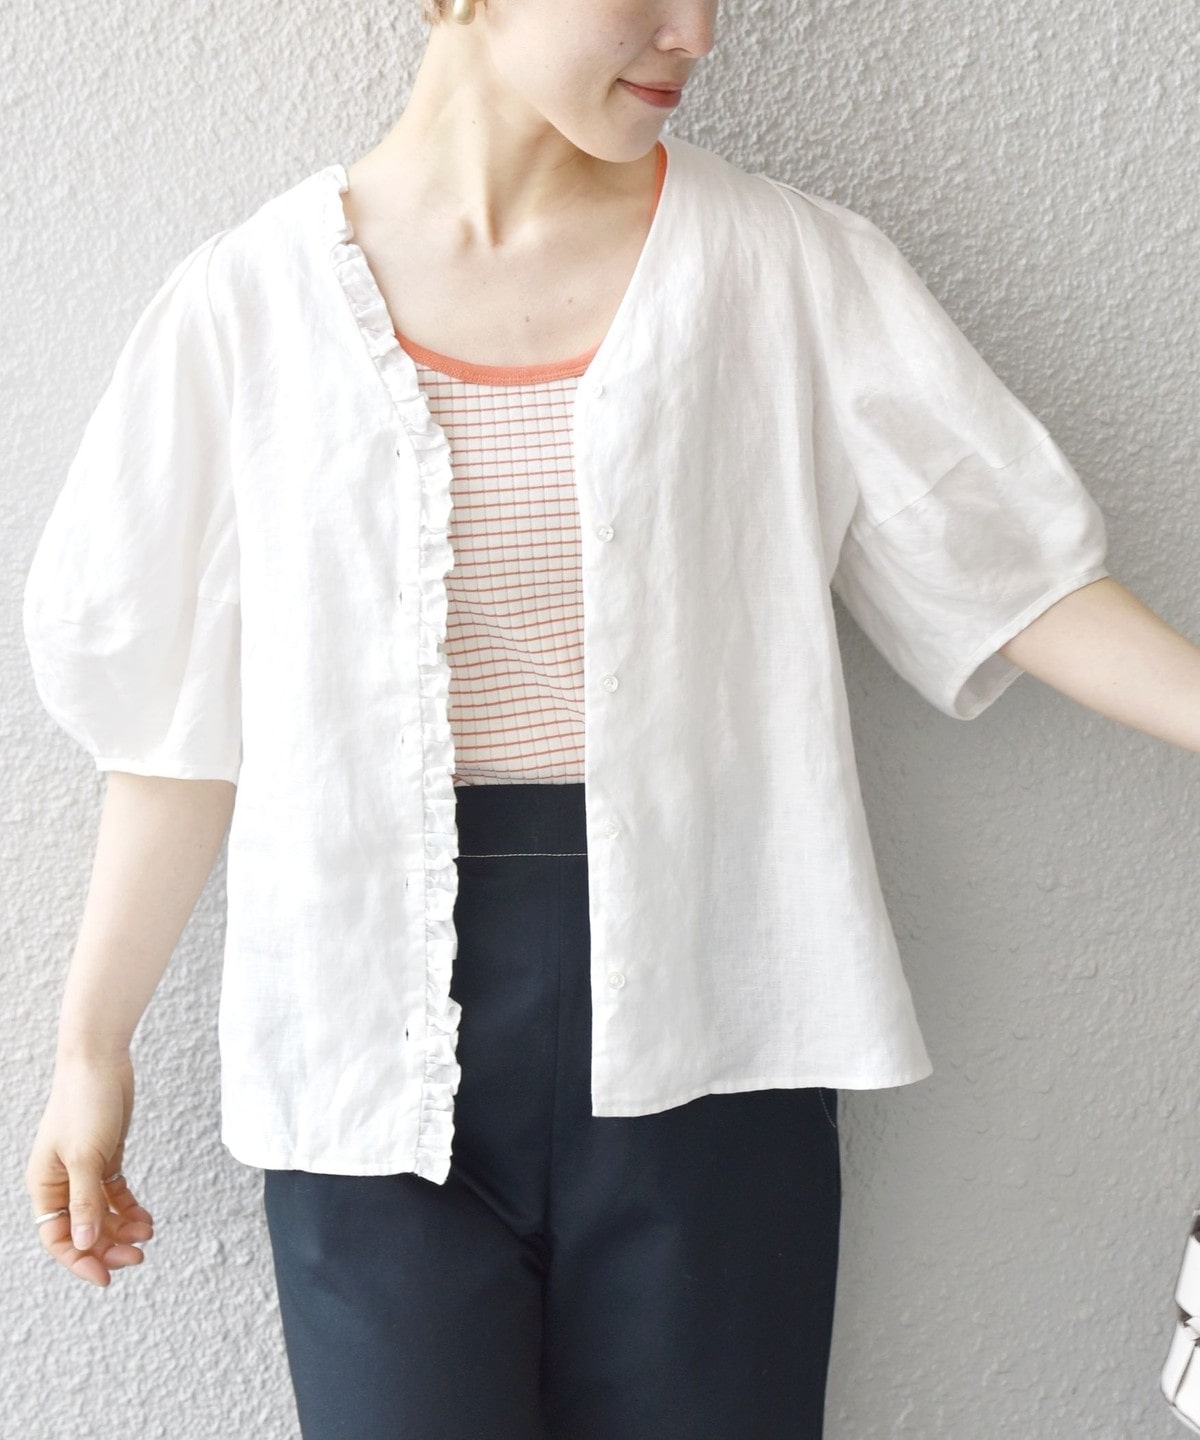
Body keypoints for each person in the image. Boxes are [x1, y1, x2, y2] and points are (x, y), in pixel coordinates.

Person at [22, 0, 1200, 1436]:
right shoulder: (245, 310)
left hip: (724, 1015)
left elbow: (1014, 575)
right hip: (358, 1045)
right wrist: (91, 1047)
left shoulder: (784, 270)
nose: (696, 33)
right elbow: (172, 727)